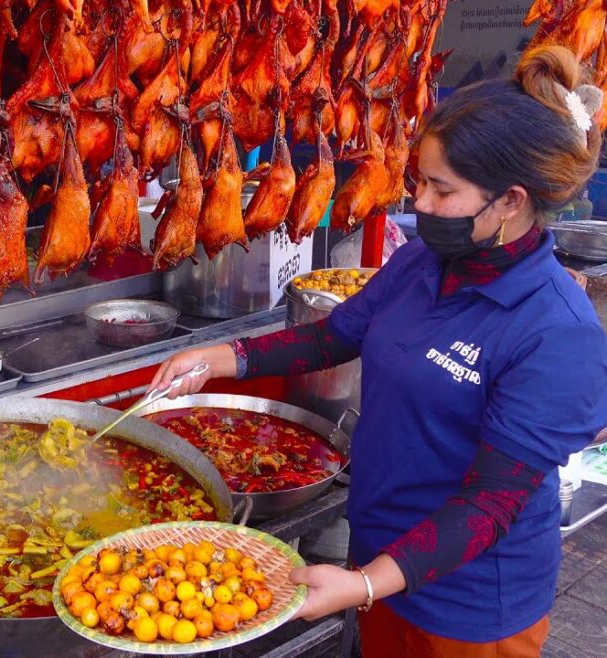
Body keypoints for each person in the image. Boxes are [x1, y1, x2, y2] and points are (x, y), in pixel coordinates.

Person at [151, 46, 607, 657]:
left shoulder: (556, 330)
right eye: (420, 181)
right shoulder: (426, 260)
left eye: (440, 190)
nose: (418, 204)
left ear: (511, 202)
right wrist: (217, 358)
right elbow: (330, 337)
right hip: (379, 559)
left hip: (467, 605)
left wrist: (363, 584)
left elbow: (491, 504)